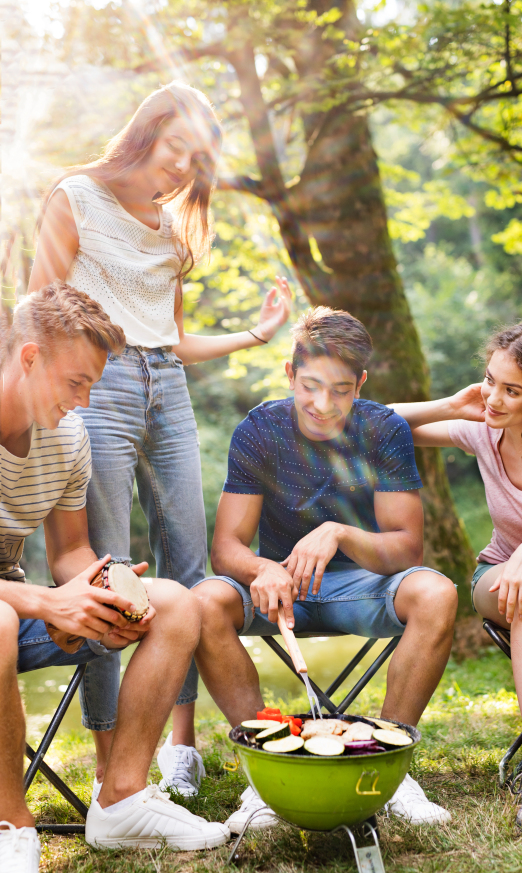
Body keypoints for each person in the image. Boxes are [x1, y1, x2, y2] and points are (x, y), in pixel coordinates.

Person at [28, 80, 292, 798]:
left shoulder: (173, 227)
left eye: (196, 156)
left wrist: (256, 333)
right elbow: (36, 308)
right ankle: (116, 759)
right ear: (147, 131)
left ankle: (183, 746)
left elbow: (170, 336)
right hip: (100, 383)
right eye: (177, 145)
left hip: (165, 384)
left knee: (189, 560)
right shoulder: (76, 197)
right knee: (108, 568)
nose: (182, 165)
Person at [192, 306, 458, 832]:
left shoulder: (382, 429)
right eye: (310, 385)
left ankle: (390, 767)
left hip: (362, 585)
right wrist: (262, 568)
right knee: (204, 602)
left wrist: (340, 533)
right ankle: (263, 773)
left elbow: (407, 548)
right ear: (290, 375)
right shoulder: (259, 429)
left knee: (437, 592)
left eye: (340, 389)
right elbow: (226, 547)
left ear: (360, 383)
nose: (323, 404)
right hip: (278, 590)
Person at [0, 284, 231, 873]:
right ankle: (10, 822)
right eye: (75, 383)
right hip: (9, 610)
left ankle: (122, 799)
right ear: (30, 359)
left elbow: (72, 550)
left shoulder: (68, 439)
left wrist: (106, 588)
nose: (83, 401)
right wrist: (47, 604)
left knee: (176, 603)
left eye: (92, 386)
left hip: (19, 598)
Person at [389, 317, 522, 842]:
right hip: (502, 577)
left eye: (512, 390)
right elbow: (374, 423)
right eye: (490, 380)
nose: (494, 398)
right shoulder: (483, 430)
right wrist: (450, 405)